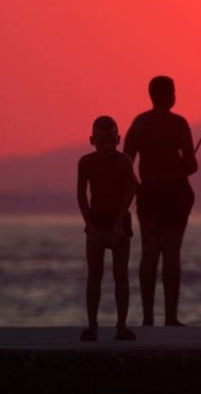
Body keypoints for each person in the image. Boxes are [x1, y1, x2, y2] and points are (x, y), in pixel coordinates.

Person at [124, 75, 198, 326]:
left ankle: (147, 318)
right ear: (170, 95)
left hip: (150, 192)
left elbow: (126, 163)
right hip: (176, 191)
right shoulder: (179, 124)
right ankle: (171, 318)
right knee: (172, 255)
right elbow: (191, 165)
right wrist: (180, 167)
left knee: (149, 254)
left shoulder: (139, 123)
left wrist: (139, 188)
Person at [76, 115, 138, 341]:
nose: (106, 147)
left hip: (119, 222)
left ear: (118, 139)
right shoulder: (86, 163)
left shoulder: (124, 162)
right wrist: (89, 225)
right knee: (95, 275)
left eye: (110, 141)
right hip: (96, 221)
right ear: (92, 140)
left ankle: (121, 326)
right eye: (101, 141)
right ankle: (92, 326)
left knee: (121, 275)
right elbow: (82, 195)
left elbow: (130, 191)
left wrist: (119, 221)